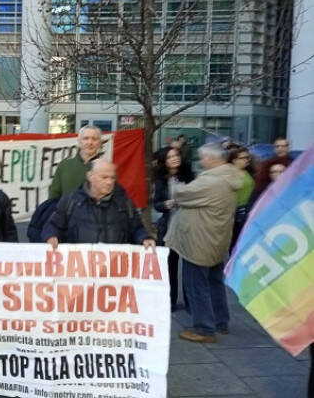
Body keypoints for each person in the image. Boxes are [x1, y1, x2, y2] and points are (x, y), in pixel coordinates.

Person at [165, 143, 242, 343]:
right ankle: (220, 321)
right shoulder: (228, 176)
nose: (201, 161)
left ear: (213, 159)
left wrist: (175, 186)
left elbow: (182, 195)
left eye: (203, 158)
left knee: (196, 285)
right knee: (214, 282)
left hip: (199, 241)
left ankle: (204, 329)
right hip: (215, 239)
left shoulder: (212, 181)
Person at [42, 158, 155, 249]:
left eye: (112, 178)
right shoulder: (71, 201)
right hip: (79, 270)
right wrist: (51, 236)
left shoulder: (124, 202)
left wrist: (144, 238)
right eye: (104, 177)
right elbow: (53, 225)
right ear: (90, 176)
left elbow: (136, 228)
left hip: (114, 269)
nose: (109, 182)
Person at [153, 147, 194, 311]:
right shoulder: (161, 180)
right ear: (164, 161)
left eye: (176, 155)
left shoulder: (189, 177)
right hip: (169, 228)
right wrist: (165, 204)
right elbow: (156, 205)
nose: (174, 159)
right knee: (170, 266)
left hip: (188, 227)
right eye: (170, 157)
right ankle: (170, 301)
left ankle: (190, 303)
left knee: (189, 269)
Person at [49, 125, 103, 199]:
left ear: (100, 142)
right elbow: (53, 197)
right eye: (86, 138)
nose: (90, 142)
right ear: (79, 141)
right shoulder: (65, 165)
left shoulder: (106, 168)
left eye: (94, 139)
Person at [228, 146, 255, 252]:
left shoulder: (249, 171)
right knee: (235, 241)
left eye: (247, 157)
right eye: (243, 158)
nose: (246, 160)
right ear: (234, 160)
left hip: (248, 209)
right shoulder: (229, 174)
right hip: (234, 211)